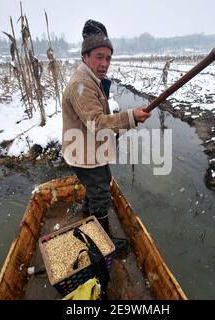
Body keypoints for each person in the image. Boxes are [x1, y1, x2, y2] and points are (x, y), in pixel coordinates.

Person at [62, 19, 150, 239]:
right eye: (99, 57)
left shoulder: (91, 79)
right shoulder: (80, 84)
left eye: (108, 58)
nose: (104, 63)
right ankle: (103, 240)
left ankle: (86, 214)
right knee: (101, 194)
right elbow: (97, 122)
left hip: (91, 148)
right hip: (84, 152)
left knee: (100, 185)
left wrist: (123, 124)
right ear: (85, 56)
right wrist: (131, 117)